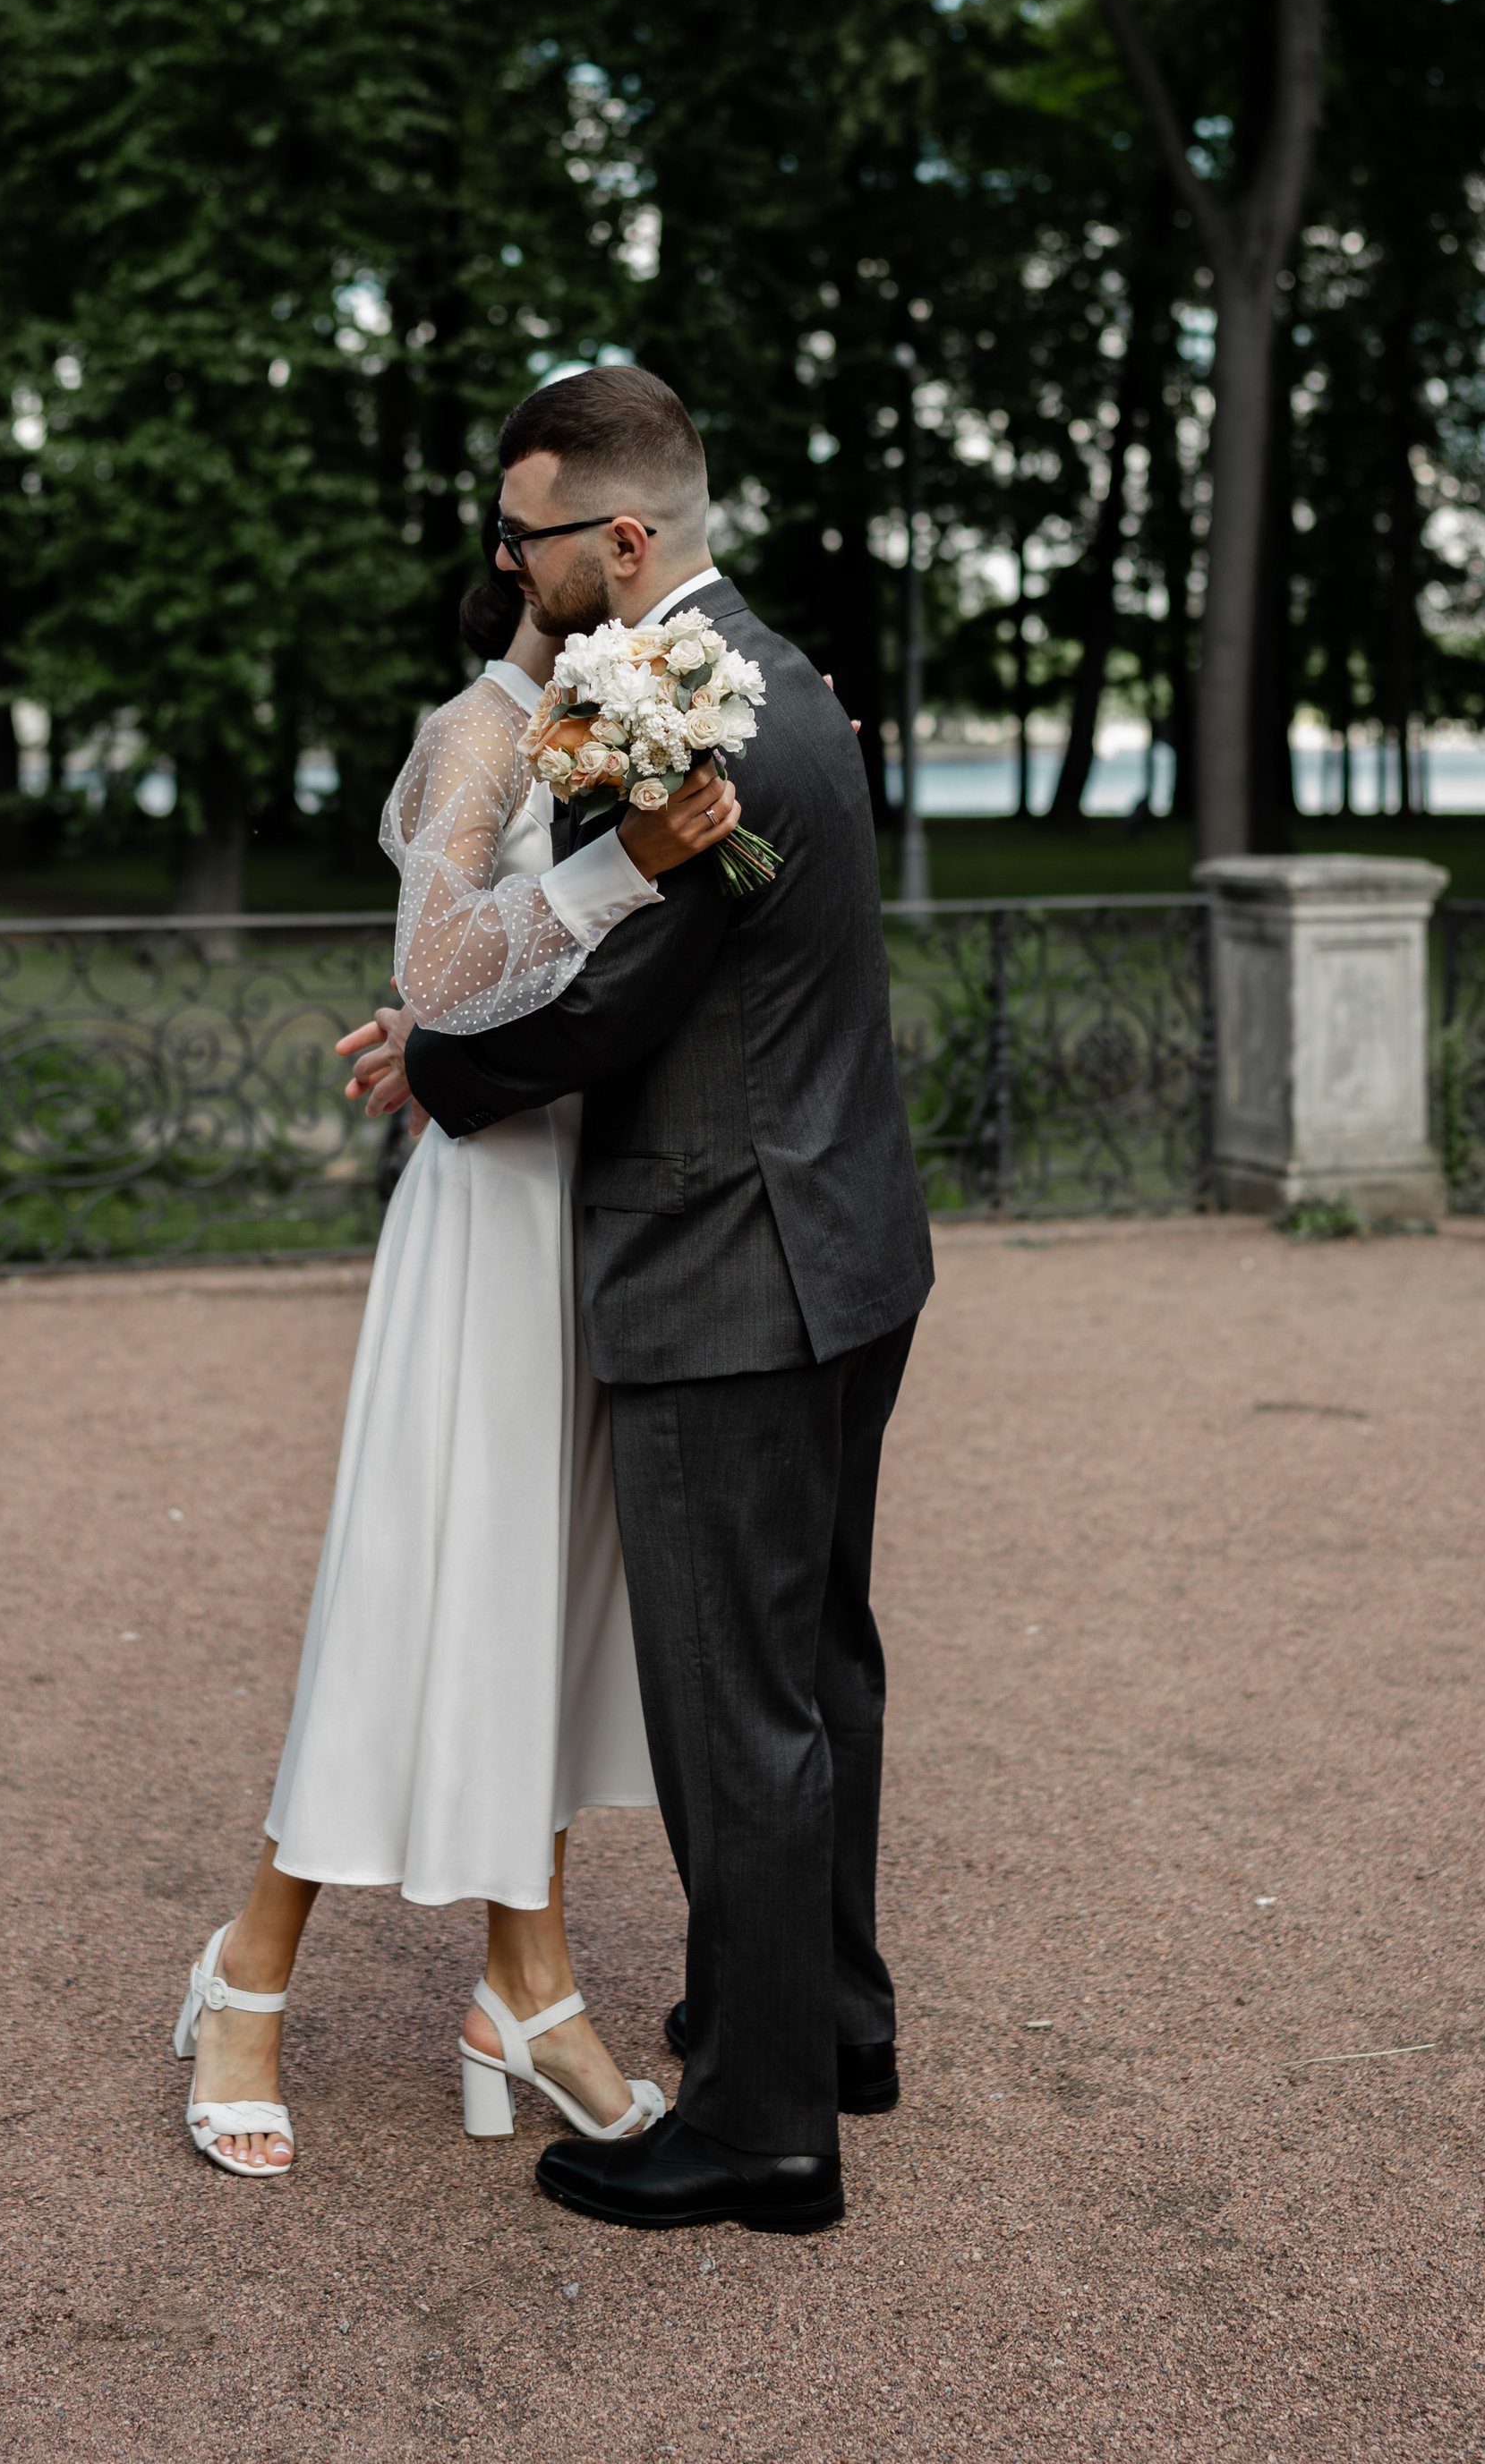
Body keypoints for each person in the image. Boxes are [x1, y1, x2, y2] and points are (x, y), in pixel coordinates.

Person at [399, 364, 935, 2238]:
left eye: (528, 530)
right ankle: (830, 2017)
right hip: (847, 1249)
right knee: (820, 1668)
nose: (506, 558)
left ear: (619, 537)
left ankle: (766, 2129)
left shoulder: (691, 724)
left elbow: (618, 1010)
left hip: (731, 1265)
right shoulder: (776, 677)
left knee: (736, 1712)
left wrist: (433, 1067)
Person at [171, 557, 745, 2176]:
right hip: (489, 1206)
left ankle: (527, 1989)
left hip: (603, 1192)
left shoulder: (632, 723)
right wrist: (622, 864)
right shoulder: (481, 734)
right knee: (415, 1584)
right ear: (530, 560)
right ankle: (247, 1975)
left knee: (546, 1605)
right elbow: (436, 979)